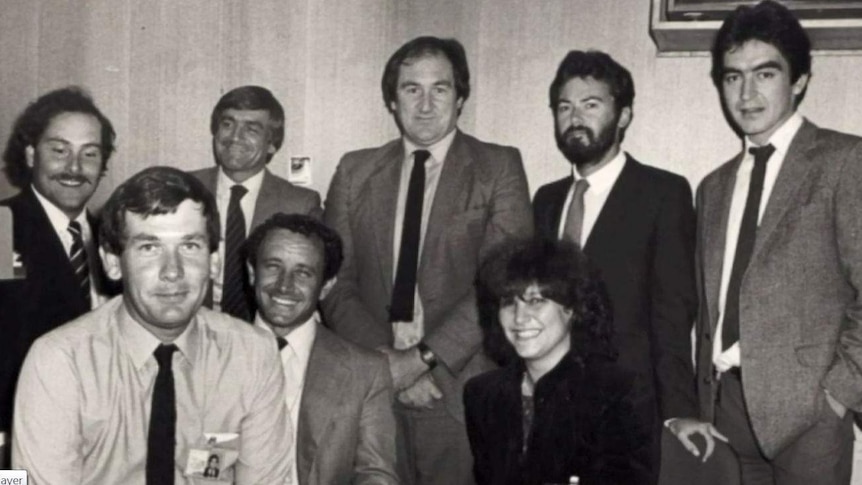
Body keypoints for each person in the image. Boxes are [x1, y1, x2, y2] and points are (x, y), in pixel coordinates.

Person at [323, 36, 533, 485]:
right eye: (410, 89)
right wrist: (389, 366)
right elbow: (336, 283)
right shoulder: (353, 172)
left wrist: (418, 361)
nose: (424, 104)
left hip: (460, 392)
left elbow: (501, 285)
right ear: (392, 100)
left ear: (460, 98)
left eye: (440, 88)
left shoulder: (499, 167)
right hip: (372, 389)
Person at [668, 2, 862, 484]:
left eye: (765, 73)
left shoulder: (844, 162)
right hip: (726, 413)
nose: (747, 93)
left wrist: (837, 393)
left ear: (798, 80)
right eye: (732, 77)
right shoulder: (712, 187)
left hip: (810, 417)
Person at [12, 166, 292, 484]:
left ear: (213, 261)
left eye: (190, 246)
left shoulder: (254, 355)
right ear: (113, 263)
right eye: (149, 247)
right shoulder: (58, 362)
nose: (172, 271)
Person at [532, 50, 698, 481]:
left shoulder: (663, 193)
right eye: (564, 107)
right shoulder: (546, 200)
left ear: (623, 116)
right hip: (552, 406)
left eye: (591, 104)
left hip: (629, 412)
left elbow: (674, 312)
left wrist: (679, 411)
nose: (574, 118)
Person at [464, 239, 653, 485]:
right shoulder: (482, 395)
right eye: (509, 302)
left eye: (536, 301)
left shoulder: (619, 393)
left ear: (572, 309)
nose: (519, 318)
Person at [0, 87, 116, 456]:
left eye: (90, 154)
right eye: (59, 150)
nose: (74, 168)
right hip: (16, 442)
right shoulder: (2, 229)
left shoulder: (113, 239)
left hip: (101, 444)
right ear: (32, 154)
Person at [246, 213, 399, 485]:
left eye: (303, 272)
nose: (284, 285)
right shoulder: (211, 355)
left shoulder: (366, 371)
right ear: (251, 272)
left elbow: (376, 476)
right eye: (273, 266)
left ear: (326, 286)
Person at [190, 85, 322, 322]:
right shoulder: (185, 188)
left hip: (264, 331)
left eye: (251, 129)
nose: (235, 137)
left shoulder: (300, 204)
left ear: (272, 144)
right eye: (228, 124)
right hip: (192, 325)